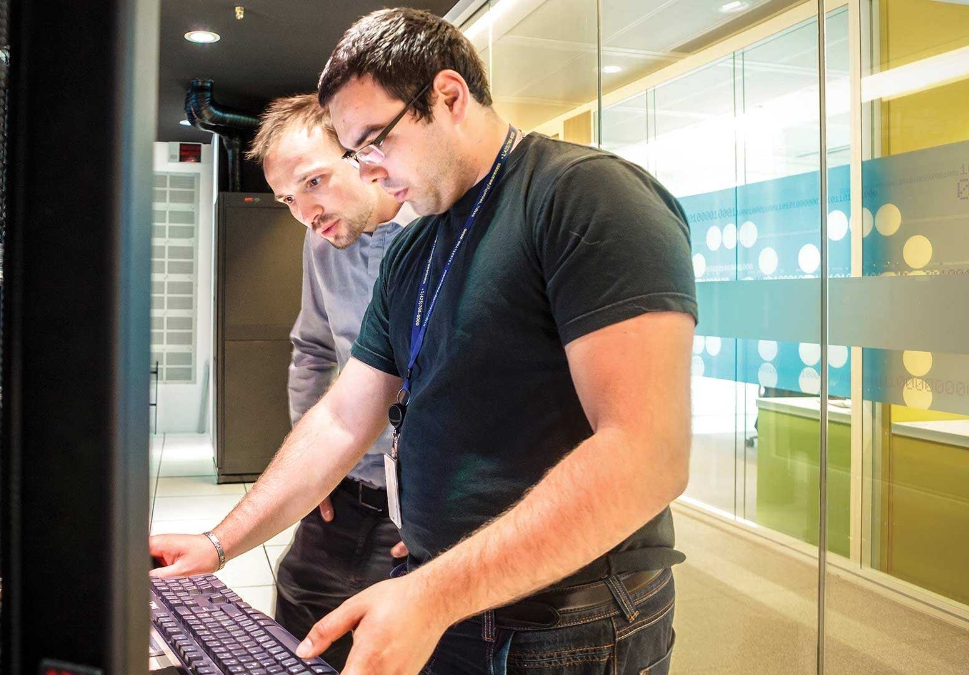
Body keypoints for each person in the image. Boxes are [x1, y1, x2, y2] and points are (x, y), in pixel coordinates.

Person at [152, 8, 697, 674]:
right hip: (453, 598)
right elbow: (343, 416)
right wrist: (219, 542)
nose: (369, 171)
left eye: (375, 142)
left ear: (448, 96)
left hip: (565, 621)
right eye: (355, 154)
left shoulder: (586, 195)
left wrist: (433, 593)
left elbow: (647, 453)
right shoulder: (416, 249)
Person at [242, 93, 416, 670]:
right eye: (288, 199)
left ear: (363, 153)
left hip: (419, 507)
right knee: (293, 626)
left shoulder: (437, 233)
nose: (305, 212)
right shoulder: (321, 241)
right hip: (343, 492)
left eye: (314, 181)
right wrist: (313, 470)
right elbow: (313, 349)